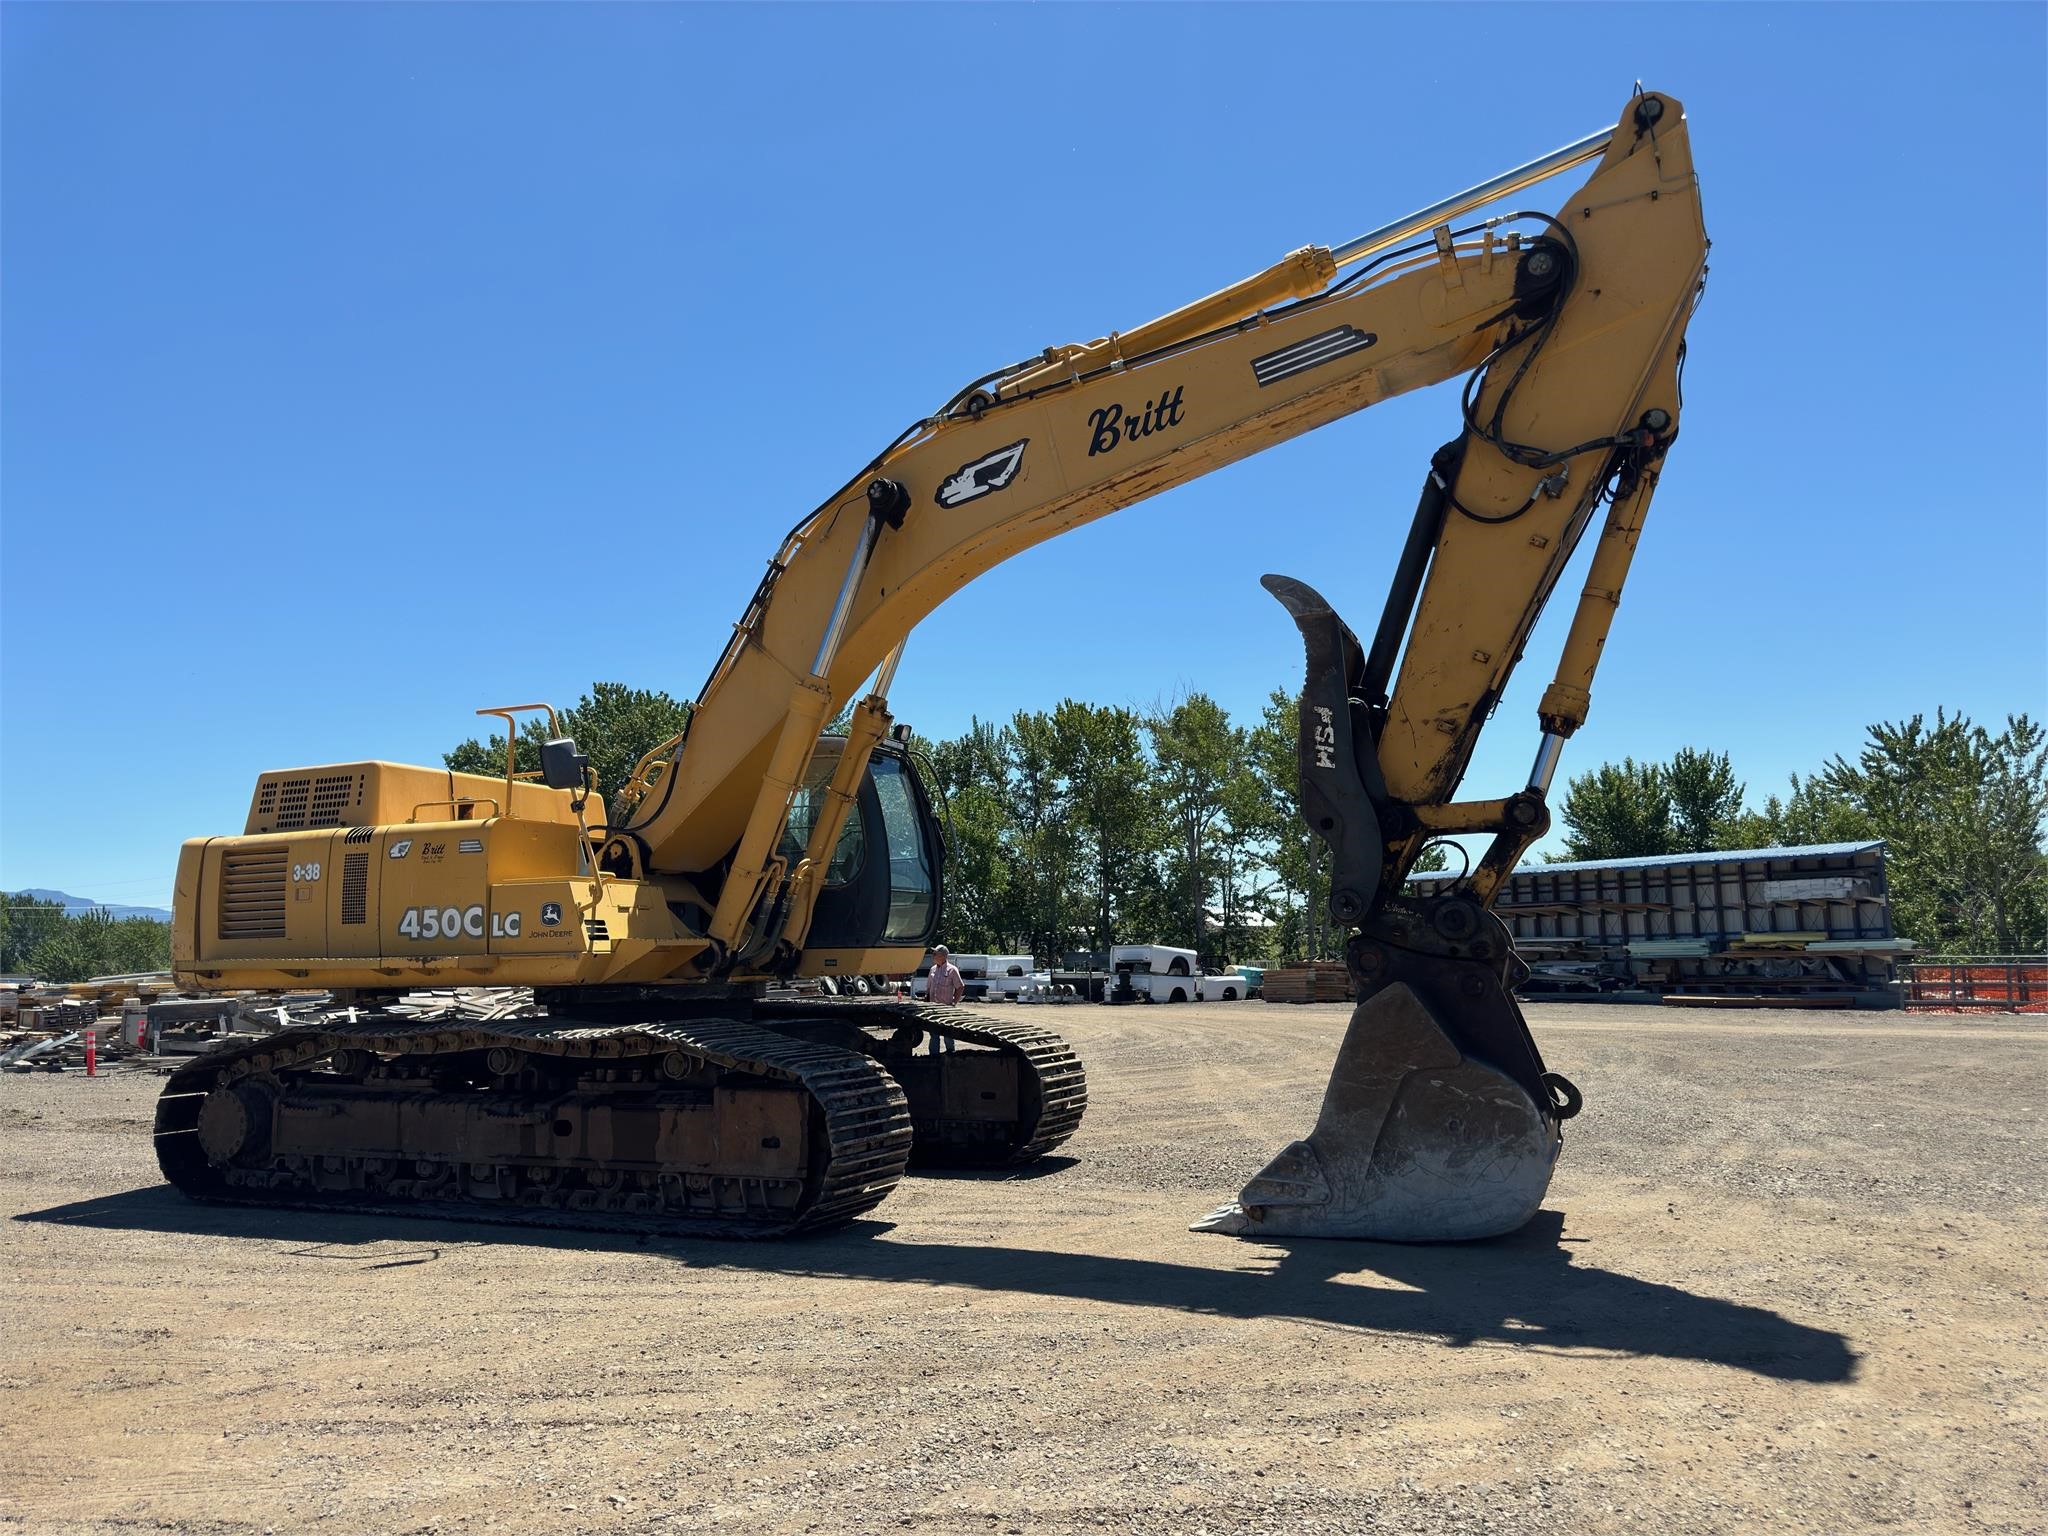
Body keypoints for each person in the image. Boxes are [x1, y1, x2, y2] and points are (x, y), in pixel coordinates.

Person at [924, 945, 963, 1054]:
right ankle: (933, 1057)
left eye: (935, 953)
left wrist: (954, 1002)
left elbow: (960, 987)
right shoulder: (932, 969)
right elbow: (928, 988)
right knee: (934, 1035)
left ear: (943, 956)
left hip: (946, 1009)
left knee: (948, 1035)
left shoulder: (952, 970)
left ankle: (950, 1055)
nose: (933, 956)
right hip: (932, 1009)